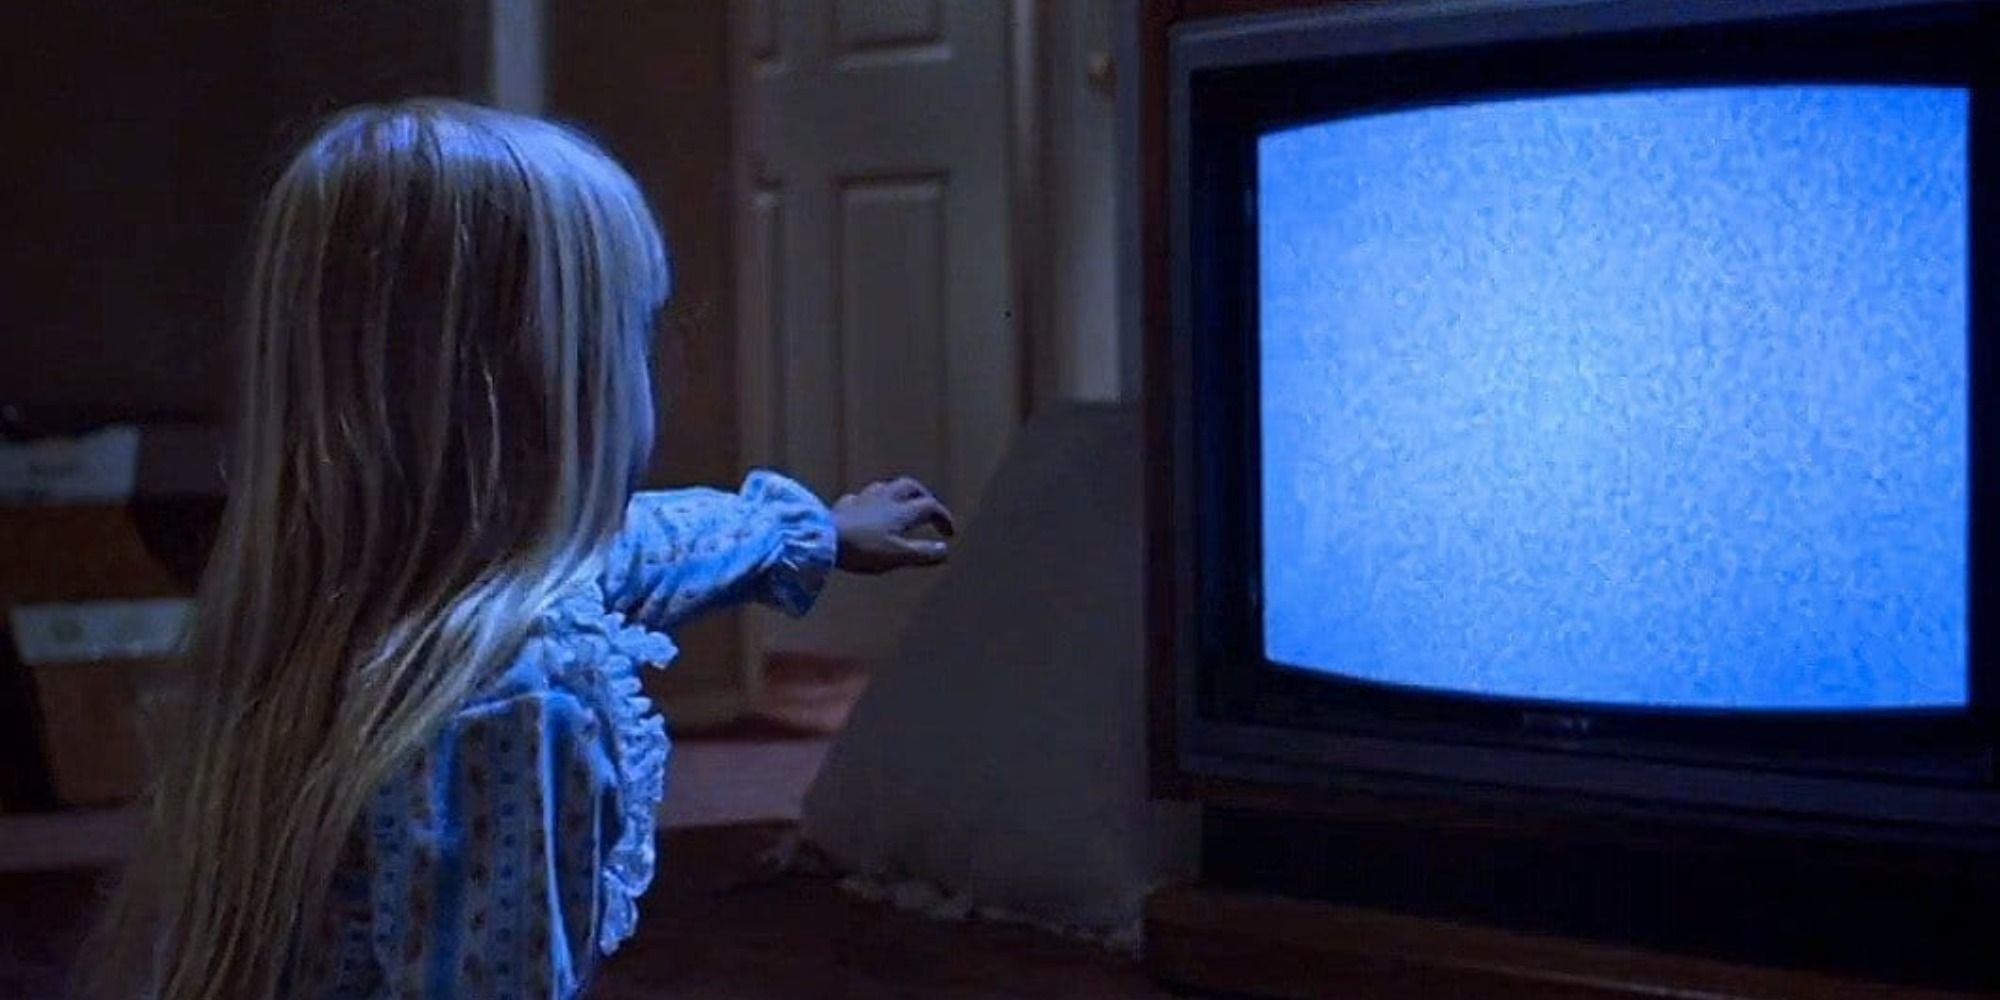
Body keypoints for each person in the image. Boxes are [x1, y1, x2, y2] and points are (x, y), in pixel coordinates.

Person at [82, 99, 956, 1000]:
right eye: (634, 332)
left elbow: (630, 549)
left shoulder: (350, 587)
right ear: (539, 387)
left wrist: (811, 532)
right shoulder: (516, 697)